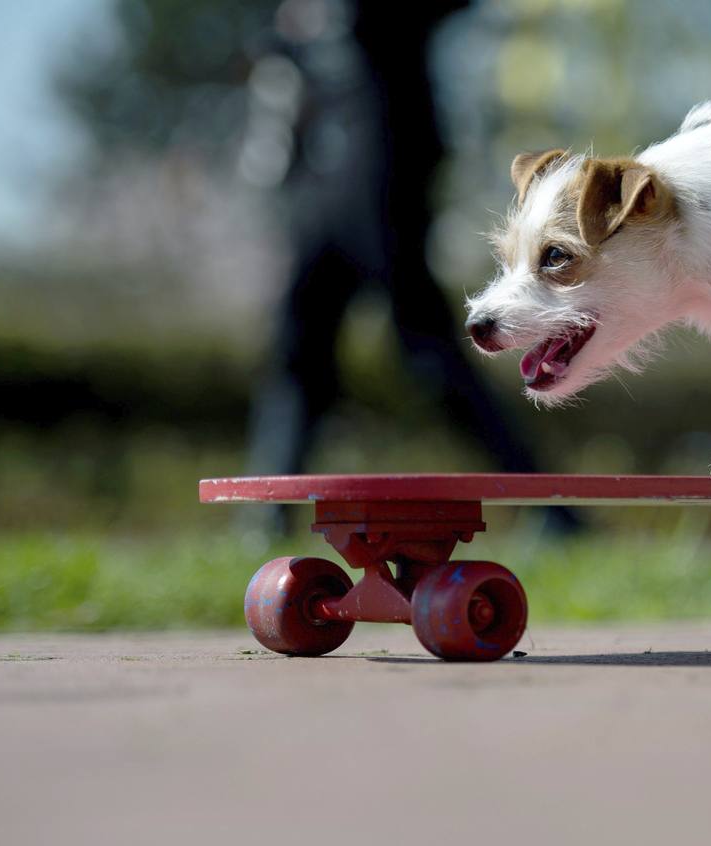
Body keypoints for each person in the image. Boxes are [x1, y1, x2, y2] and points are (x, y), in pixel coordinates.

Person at [241, 0, 573, 531]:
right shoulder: (294, 20)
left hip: (381, 189)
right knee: (298, 356)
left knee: (426, 351)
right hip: (314, 197)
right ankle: (264, 517)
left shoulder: (385, 18)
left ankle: (551, 508)